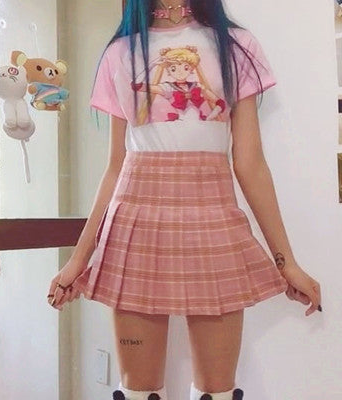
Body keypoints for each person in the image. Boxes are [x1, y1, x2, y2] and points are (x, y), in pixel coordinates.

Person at [47, 1, 323, 399]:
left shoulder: (235, 46)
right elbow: (115, 167)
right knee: (138, 392)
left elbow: (250, 164)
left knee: (217, 392)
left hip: (212, 217)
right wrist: (77, 260)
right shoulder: (121, 52)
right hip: (136, 223)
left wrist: (287, 262)